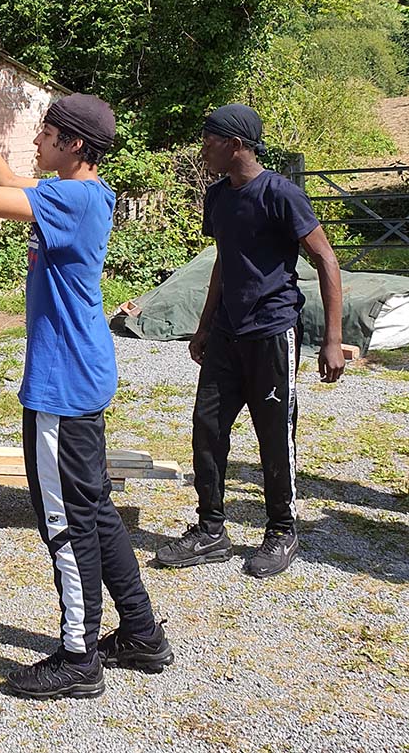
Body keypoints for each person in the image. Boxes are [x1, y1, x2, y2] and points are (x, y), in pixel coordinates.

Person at [0, 74, 173, 700]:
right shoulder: (84, 193)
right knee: (96, 509)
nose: (38, 141)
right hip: (80, 372)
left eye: (48, 135)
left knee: (66, 520)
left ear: (76, 146)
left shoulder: (71, 201)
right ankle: (140, 632)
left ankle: (79, 656)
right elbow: (3, 182)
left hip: (61, 386)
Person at [155, 103, 345, 579]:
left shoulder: (281, 194)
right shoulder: (218, 196)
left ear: (235, 145)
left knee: (274, 434)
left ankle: (282, 530)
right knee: (208, 428)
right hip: (226, 334)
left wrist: (333, 340)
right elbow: (224, 260)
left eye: (210, 141)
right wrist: (204, 324)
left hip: (271, 331)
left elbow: (326, 260)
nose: (204, 150)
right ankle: (211, 530)